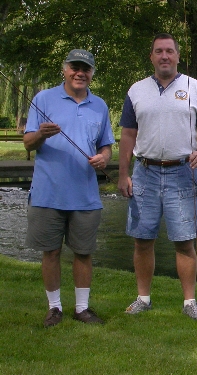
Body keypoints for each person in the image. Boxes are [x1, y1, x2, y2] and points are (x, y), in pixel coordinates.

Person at [118, 33, 197, 319]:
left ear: (177, 56)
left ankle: (189, 302)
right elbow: (127, 134)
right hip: (145, 172)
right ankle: (143, 298)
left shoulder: (194, 87)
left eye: (170, 51)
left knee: (185, 240)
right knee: (142, 238)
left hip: (183, 172)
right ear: (151, 56)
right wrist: (124, 174)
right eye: (159, 51)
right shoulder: (136, 90)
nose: (164, 56)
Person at [24, 49, 115, 327]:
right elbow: (28, 143)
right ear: (64, 70)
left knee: (83, 252)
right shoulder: (43, 99)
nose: (80, 73)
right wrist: (41, 134)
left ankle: (82, 308)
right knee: (50, 252)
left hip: (85, 195)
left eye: (85, 69)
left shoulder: (99, 105)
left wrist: (104, 158)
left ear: (91, 74)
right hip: (47, 193)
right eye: (74, 67)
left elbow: (107, 146)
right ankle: (54, 308)